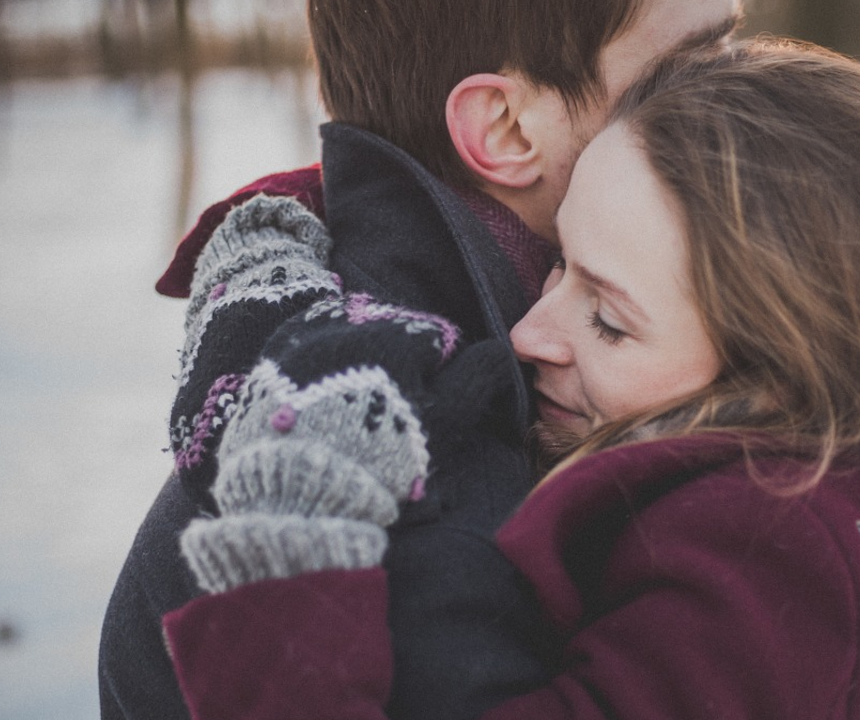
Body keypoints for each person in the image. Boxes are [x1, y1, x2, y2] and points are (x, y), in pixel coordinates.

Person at [159, 37, 860, 719]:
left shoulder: (772, 580)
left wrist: (285, 576)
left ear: (783, 380)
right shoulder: (834, 486)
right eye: (558, 262)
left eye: (610, 321)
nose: (530, 333)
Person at [98, 0, 743, 718]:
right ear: (504, 128)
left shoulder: (386, 356)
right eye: (693, 66)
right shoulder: (435, 516)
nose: (750, 95)